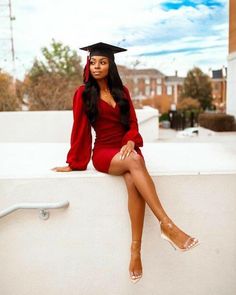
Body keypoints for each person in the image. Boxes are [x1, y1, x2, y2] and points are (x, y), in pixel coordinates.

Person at [52, 42, 199, 284]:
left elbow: (132, 124)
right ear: (88, 65)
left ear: (111, 65)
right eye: (93, 62)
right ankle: (168, 225)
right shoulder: (83, 93)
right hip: (103, 153)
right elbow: (79, 129)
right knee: (135, 161)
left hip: (125, 149)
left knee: (133, 179)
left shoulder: (123, 92)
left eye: (102, 62)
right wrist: (74, 162)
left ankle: (135, 252)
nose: (97, 66)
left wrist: (130, 141)